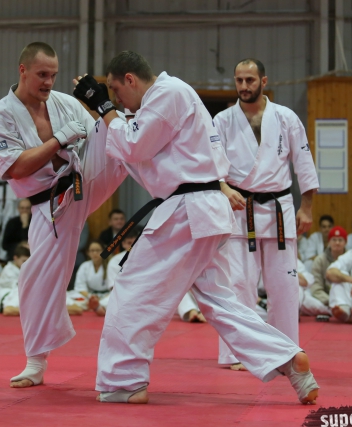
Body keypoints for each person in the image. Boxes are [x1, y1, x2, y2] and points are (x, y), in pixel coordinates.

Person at [73, 51, 318, 404]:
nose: (116, 98)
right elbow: (135, 143)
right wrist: (103, 109)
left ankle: (124, 380)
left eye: (115, 90)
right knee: (220, 301)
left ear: (130, 79)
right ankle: (287, 358)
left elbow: (131, 144)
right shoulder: (167, 99)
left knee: (133, 287)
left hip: (187, 212)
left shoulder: (167, 93)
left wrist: (104, 108)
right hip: (202, 210)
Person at [0, 42, 128, 389]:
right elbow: (16, 168)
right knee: (38, 277)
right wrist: (59, 140)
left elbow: (95, 138)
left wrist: (100, 105)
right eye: (42, 75)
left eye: (54, 75)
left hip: (82, 179)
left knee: (119, 128)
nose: (49, 82)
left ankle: (175, 186)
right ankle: (36, 363)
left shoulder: (65, 102)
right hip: (47, 203)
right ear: (23, 71)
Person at [212, 58, 319, 371]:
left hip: (278, 209)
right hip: (238, 207)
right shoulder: (222, 120)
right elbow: (211, 163)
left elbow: (303, 162)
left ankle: (284, 350)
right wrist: (223, 187)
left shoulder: (285, 117)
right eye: (239, 80)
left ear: (264, 81)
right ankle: (239, 353)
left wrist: (307, 207)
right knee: (238, 284)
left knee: (284, 285)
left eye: (250, 80)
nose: (244, 86)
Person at [309, 226, 347, 315]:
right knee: (307, 299)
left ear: (345, 242)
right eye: (334, 240)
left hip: (347, 299)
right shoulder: (320, 260)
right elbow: (316, 287)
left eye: (340, 240)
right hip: (326, 300)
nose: (337, 243)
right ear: (329, 241)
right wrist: (331, 301)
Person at [0, 244, 30, 315]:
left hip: (4, 296)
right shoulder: (8, 270)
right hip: (0, 296)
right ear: (15, 258)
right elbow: (7, 310)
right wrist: (31, 312)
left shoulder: (22, 269)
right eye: (24, 261)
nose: (26, 264)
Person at [73, 241, 110, 306]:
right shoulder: (84, 266)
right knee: (69, 297)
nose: (95, 253)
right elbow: (80, 286)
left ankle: (99, 306)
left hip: (107, 295)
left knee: (110, 300)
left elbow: (115, 287)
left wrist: (105, 297)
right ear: (88, 252)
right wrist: (90, 296)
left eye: (98, 250)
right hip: (90, 295)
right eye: (92, 251)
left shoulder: (110, 265)